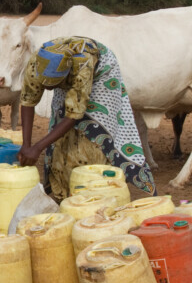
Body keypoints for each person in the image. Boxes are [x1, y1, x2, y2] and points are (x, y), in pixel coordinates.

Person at [16, 35, 155, 200]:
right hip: (66, 73)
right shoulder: (37, 64)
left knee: (96, 133)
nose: (46, 88)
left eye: (51, 85)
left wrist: (38, 147)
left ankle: (98, 193)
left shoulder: (83, 66)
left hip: (101, 72)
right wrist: (26, 145)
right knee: (60, 131)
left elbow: (74, 115)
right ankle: (63, 191)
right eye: (44, 83)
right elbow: (28, 102)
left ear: (64, 76)